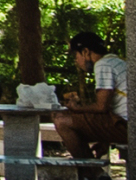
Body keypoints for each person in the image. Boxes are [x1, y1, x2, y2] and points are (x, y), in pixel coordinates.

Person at [53, 27, 131, 157]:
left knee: (61, 120)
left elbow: (101, 107)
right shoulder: (117, 61)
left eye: (76, 56)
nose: (76, 61)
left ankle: (93, 174)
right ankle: (93, 172)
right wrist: (104, 140)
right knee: (72, 121)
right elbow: (113, 108)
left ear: (85, 52)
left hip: (129, 127)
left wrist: (76, 108)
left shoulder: (103, 64)